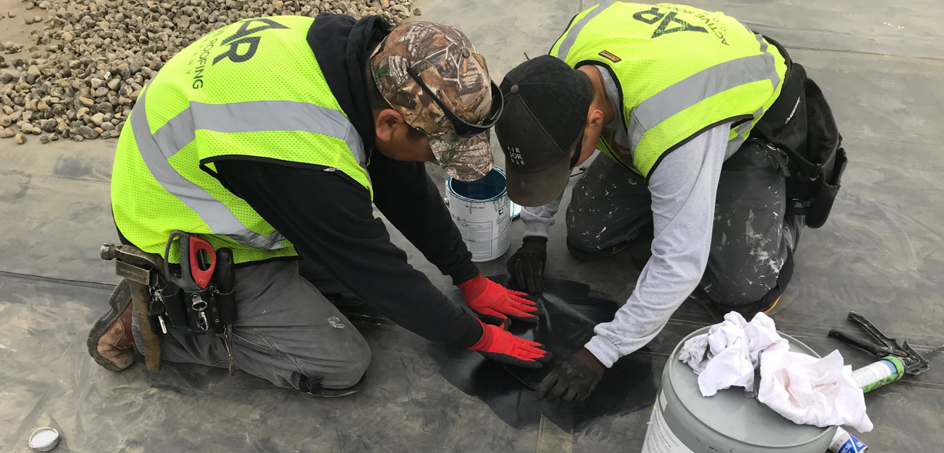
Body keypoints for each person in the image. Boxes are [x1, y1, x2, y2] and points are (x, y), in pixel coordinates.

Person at [88, 15, 550, 396]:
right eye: (438, 153)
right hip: (176, 229)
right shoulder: (304, 159)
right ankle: (162, 322)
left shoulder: (357, 65)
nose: (436, 164)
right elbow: (379, 273)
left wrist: (465, 275)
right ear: (390, 123)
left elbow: (401, 180)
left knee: (357, 281)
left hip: (233, 181)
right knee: (340, 362)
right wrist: (477, 336)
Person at [495, 2, 844, 402]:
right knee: (589, 236)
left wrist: (601, 352)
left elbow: (680, 263)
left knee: (741, 291)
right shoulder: (552, 76)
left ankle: (783, 207)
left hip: (748, 126)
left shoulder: (672, 124)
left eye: (566, 161)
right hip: (664, 101)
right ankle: (677, 188)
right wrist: (535, 236)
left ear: (594, 121)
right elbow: (545, 144)